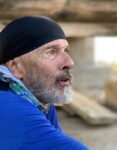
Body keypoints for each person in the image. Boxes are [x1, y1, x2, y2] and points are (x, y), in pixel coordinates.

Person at [0, 16, 89, 150]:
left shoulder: (41, 98)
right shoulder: (6, 106)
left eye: (66, 50)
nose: (70, 62)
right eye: (52, 52)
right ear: (15, 67)